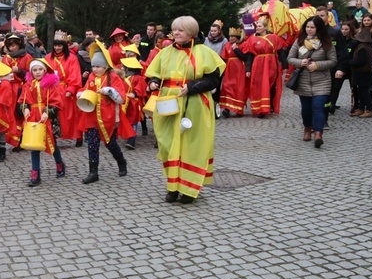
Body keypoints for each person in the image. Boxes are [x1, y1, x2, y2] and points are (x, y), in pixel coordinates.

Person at [145, 16, 225, 204]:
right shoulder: (165, 52)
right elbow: (154, 74)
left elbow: (213, 80)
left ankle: (189, 189)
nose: (176, 33)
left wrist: (192, 86)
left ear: (191, 32)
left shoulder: (204, 52)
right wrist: (153, 83)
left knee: (191, 146)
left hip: (195, 105)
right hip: (169, 105)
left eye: (180, 30)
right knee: (168, 144)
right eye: (174, 30)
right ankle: (173, 185)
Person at [76, 41, 132, 184]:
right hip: (92, 115)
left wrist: (109, 91)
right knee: (92, 144)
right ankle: (93, 172)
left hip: (109, 116)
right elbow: (86, 88)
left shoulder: (113, 77)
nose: (95, 69)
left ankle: (121, 161)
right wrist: (81, 93)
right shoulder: (92, 77)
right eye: (93, 66)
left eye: (98, 66)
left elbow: (121, 98)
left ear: (105, 66)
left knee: (109, 143)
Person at [287, 16, 337, 148]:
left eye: (312, 27)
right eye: (307, 27)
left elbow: (333, 61)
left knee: (318, 107)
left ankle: (318, 134)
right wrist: (300, 62)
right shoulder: (299, 42)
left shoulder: (327, 43)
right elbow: (290, 58)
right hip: (303, 80)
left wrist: (317, 65)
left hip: (321, 81)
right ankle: (307, 129)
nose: (309, 30)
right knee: (306, 109)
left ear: (318, 28)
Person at [20, 59, 66, 186]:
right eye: (34, 70)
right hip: (33, 117)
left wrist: (48, 112)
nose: (37, 72)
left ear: (45, 70)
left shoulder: (51, 85)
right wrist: (25, 109)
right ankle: (35, 175)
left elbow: (56, 101)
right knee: (34, 145)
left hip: (47, 117)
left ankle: (60, 164)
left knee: (51, 143)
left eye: (40, 69)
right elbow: (23, 101)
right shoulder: (28, 85)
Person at [242, 17, 285, 118]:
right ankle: (259, 108)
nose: (257, 28)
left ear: (265, 27)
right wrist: (248, 69)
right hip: (258, 65)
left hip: (271, 64)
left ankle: (268, 106)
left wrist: (285, 64)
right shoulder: (252, 39)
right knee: (257, 86)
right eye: (256, 26)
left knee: (270, 85)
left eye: (260, 26)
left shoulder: (274, 37)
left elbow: (280, 52)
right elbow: (250, 56)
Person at [45, 31, 82, 144]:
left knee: (71, 115)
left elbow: (75, 74)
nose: (57, 48)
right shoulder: (47, 57)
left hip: (65, 89)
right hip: (51, 90)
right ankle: (54, 135)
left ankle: (78, 136)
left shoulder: (72, 58)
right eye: (55, 45)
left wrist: (71, 89)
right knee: (53, 114)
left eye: (60, 45)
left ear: (64, 46)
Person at [219, 27, 249, 117]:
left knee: (239, 88)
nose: (231, 38)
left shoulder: (244, 44)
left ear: (238, 37)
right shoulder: (227, 45)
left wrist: (236, 49)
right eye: (230, 36)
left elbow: (245, 57)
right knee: (227, 87)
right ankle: (227, 108)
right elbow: (223, 57)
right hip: (229, 69)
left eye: (233, 36)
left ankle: (238, 109)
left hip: (240, 69)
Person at [348, 28, 372, 118]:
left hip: (363, 72)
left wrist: (349, 62)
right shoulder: (366, 46)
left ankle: (369, 109)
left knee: (364, 92)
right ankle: (361, 108)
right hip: (364, 72)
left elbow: (360, 61)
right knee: (361, 92)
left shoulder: (362, 48)